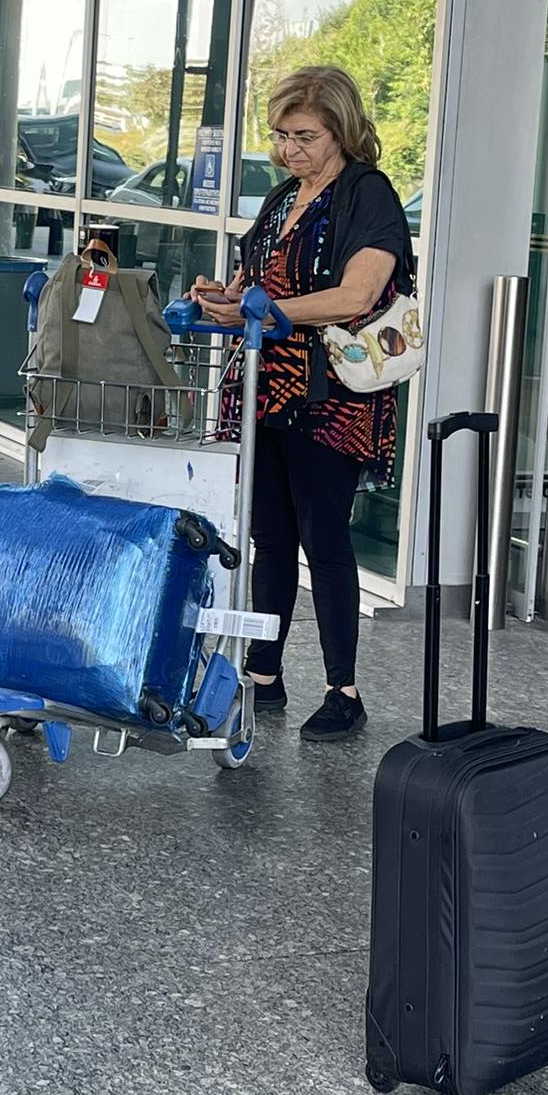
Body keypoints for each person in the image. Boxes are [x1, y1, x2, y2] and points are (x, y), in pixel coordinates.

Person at [191, 65, 414, 743]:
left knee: (324, 537)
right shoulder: (282, 197)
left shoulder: (366, 194)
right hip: (265, 387)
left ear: (341, 131)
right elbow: (253, 287)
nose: (290, 149)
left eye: (305, 136)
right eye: (283, 136)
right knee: (271, 536)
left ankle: (344, 691)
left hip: (330, 393)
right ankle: (264, 673)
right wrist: (222, 299)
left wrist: (267, 311)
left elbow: (356, 296)